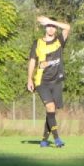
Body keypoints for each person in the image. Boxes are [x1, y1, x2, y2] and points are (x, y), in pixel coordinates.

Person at [27, 15, 71, 148]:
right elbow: (32, 61)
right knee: (50, 107)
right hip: (42, 81)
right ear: (45, 28)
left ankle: (44, 140)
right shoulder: (38, 43)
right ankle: (57, 139)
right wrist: (29, 79)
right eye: (48, 26)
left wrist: (51, 21)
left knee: (51, 112)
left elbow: (68, 27)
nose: (51, 28)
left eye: (53, 27)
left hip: (56, 81)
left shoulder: (59, 41)